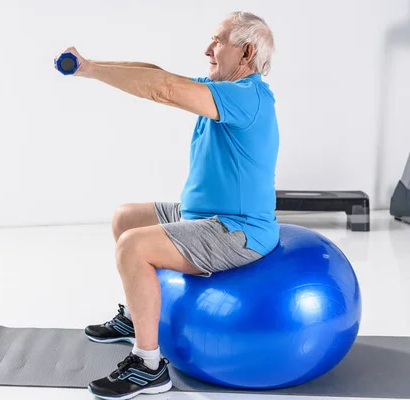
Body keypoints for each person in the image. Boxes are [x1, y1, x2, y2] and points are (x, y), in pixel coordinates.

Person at [56, 11, 280, 400]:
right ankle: (135, 317)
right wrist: (90, 67)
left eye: (218, 41)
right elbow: (158, 75)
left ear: (246, 51)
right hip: (203, 214)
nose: (207, 50)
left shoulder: (248, 97)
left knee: (133, 246)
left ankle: (148, 366)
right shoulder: (225, 90)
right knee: (126, 218)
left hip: (236, 230)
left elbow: (162, 88)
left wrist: (89, 70)